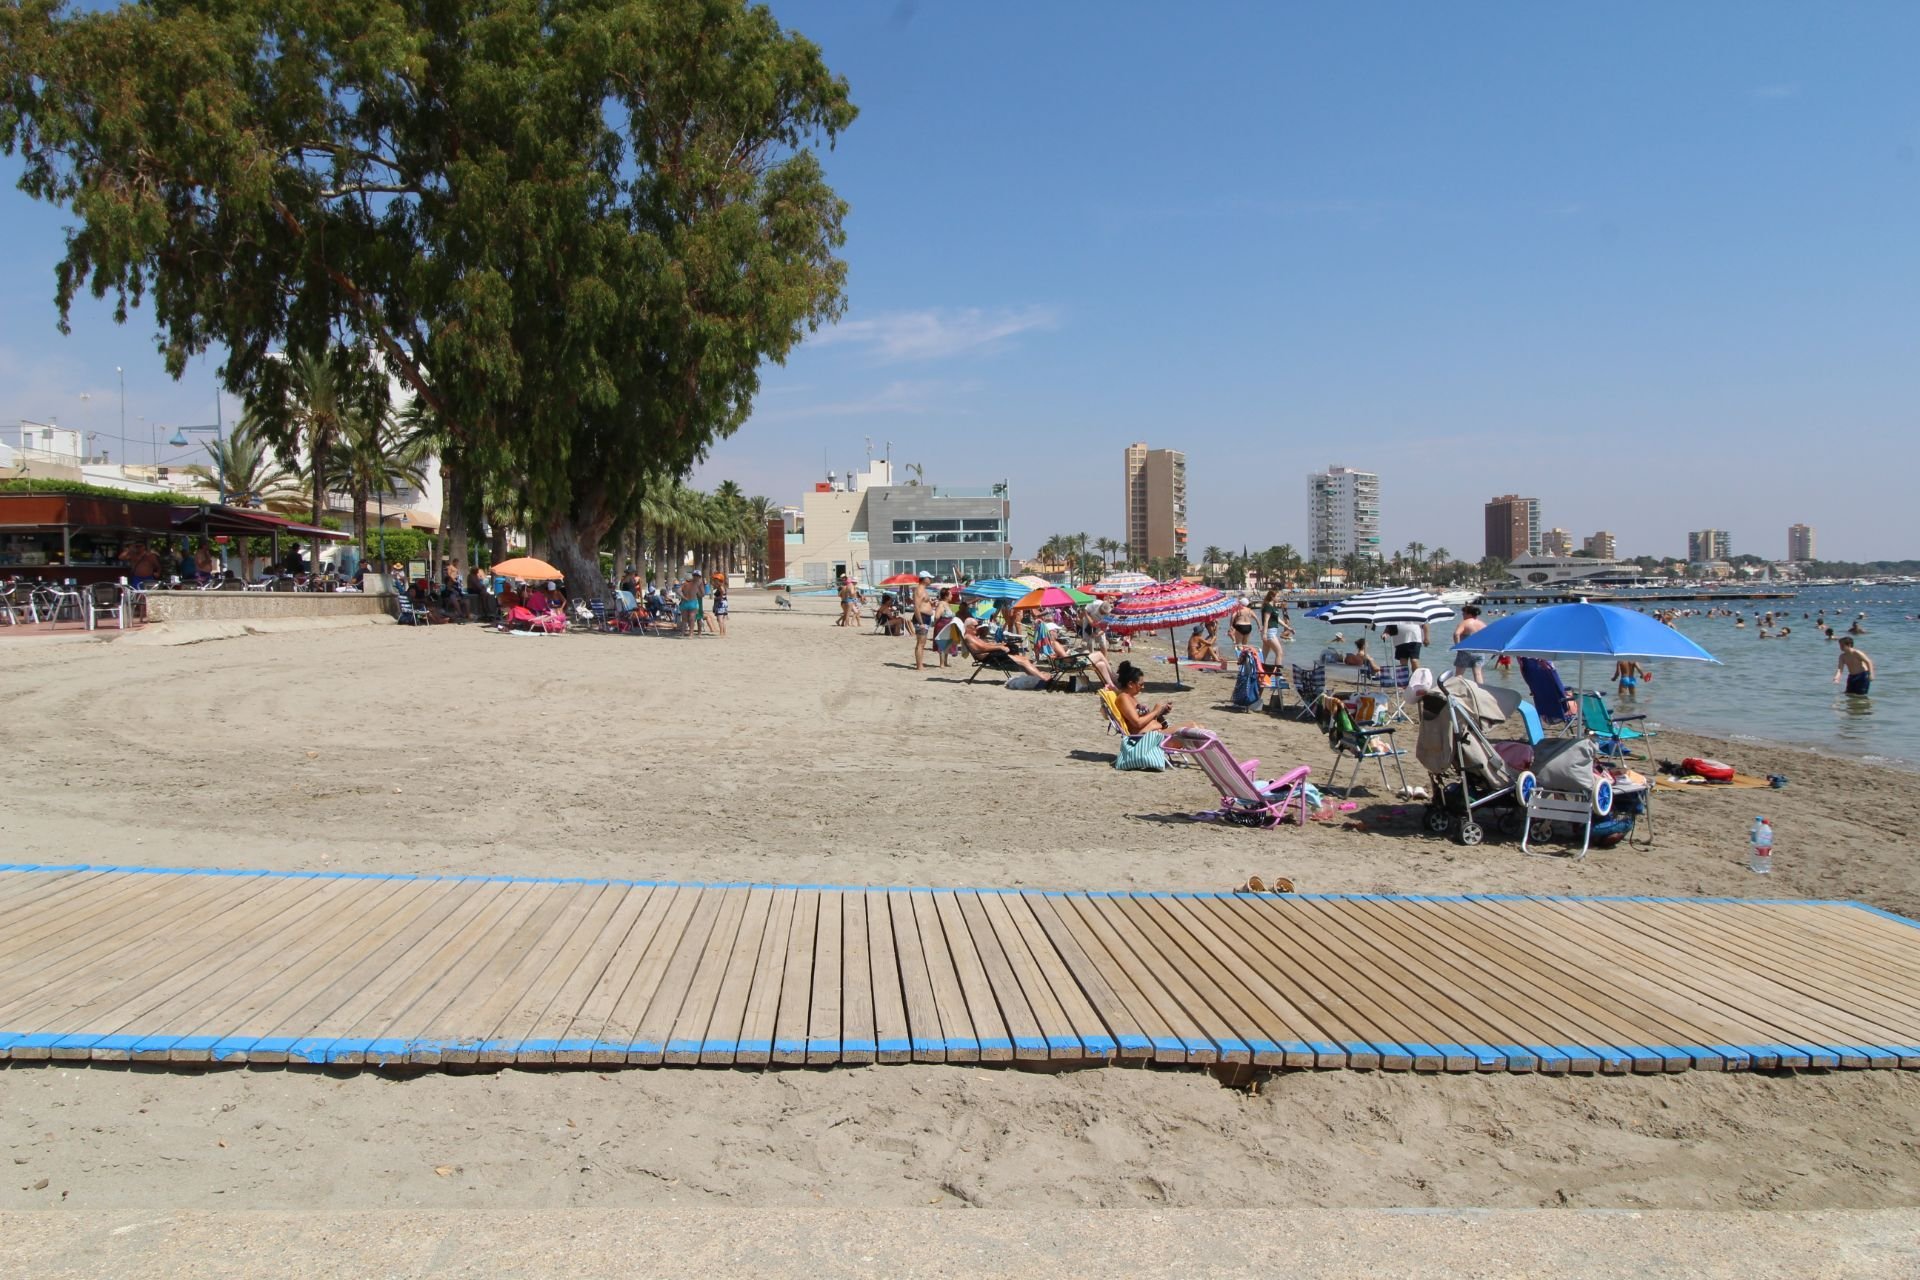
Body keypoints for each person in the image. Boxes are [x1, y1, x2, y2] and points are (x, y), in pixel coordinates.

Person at [1110, 661, 1199, 735]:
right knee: (1193, 727)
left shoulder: (1131, 698)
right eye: (1140, 684)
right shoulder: (1123, 698)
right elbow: (1137, 723)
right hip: (1147, 738)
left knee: (1199, 728)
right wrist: (1155, 711)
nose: (1143, 687)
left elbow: (1144, 719)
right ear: (1130, 684)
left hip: (1156, 733)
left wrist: (1160, 712)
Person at [956, 617, 1050, 682]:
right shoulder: (969, 637)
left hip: (991, 654)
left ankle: (1037, 675)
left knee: (1024, 659)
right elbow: (982, 648)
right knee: (1023, 662)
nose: (977, 627)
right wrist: (999, 647)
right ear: (968, 627)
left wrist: (1000, 644)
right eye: (975, 626)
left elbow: (985, 645)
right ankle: (1041, 677)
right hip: (989, 657)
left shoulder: (973, 636)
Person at [1452, 605, 1486, 681]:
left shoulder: (1465, 623)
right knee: (1478, 673)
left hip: (1465, 650)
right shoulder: (1482, 624)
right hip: (1479, 651)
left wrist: (1458, 647)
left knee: (1459, 674)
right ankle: (1479, 691)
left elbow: (1456, 634)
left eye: (1464, 614)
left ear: (1469, 614)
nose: (1463, 616)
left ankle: (1457, 690)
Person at [911, 571, 936, 669]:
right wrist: (920, 622)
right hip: (922, 618)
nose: (930, 580)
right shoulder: (919, 590)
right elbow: (916, 607)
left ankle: (920, 664)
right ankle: (919, 666)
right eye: (929, 578)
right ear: (924, 579)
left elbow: (923, 604)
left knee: (923, 642)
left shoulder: (924, 590)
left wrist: (932, 605)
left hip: (926, 617)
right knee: (920, 643)